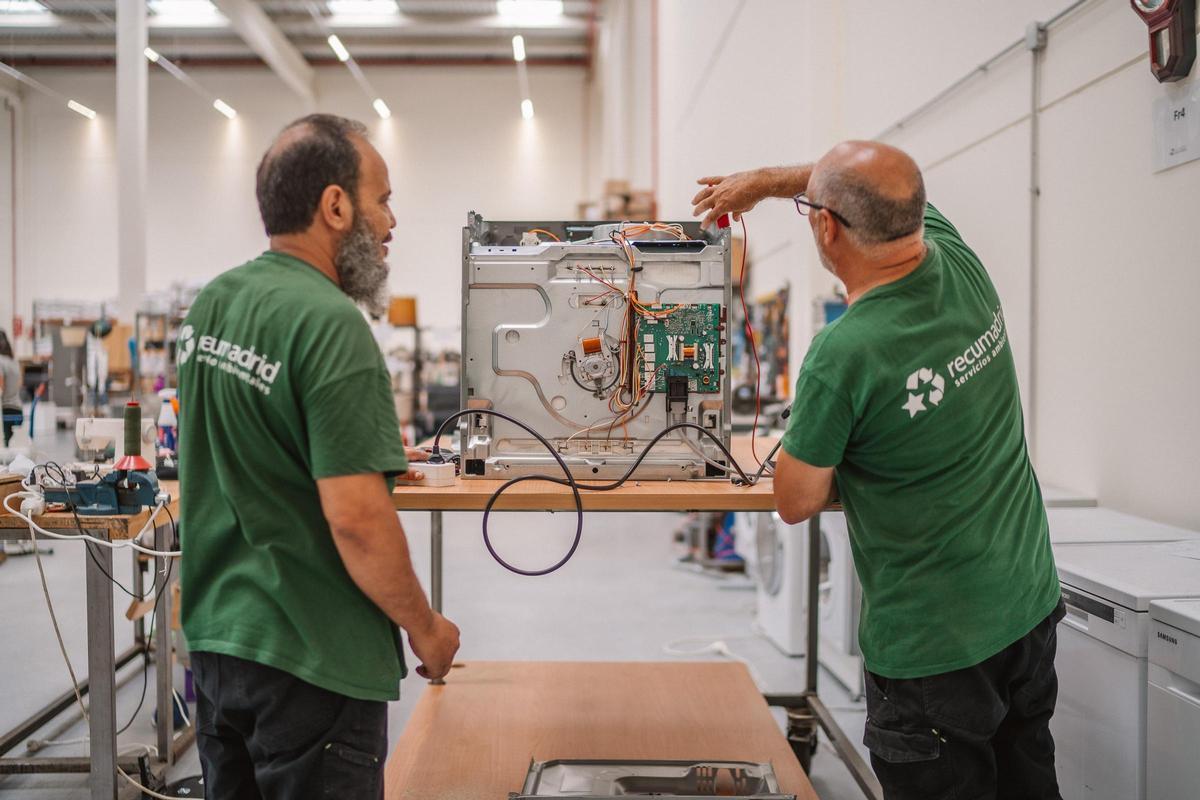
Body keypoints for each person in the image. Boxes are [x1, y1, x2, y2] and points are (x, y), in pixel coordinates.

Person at [693, 142, 1063, 799]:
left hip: (933, 646)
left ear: (825, 227)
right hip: (1026, 601)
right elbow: (860, 185)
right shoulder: (955, 258)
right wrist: (765, 182)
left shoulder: (844, 352)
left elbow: (796, 500)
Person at [178, 114, 460, 799]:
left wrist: (361, 445)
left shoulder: (212, 305)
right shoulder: (331, 323)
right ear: (336, 206)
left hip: (220, 649)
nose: (392, 222)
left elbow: (245, 443)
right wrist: (426, 629)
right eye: (383, 199)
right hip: (312, 659)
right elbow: (357, 519)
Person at [0, 330, 23, 447]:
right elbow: (19, 383)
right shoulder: (14, 361)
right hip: (18, 409)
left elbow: (1, 388)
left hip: (6, 411)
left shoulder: (0, 361)